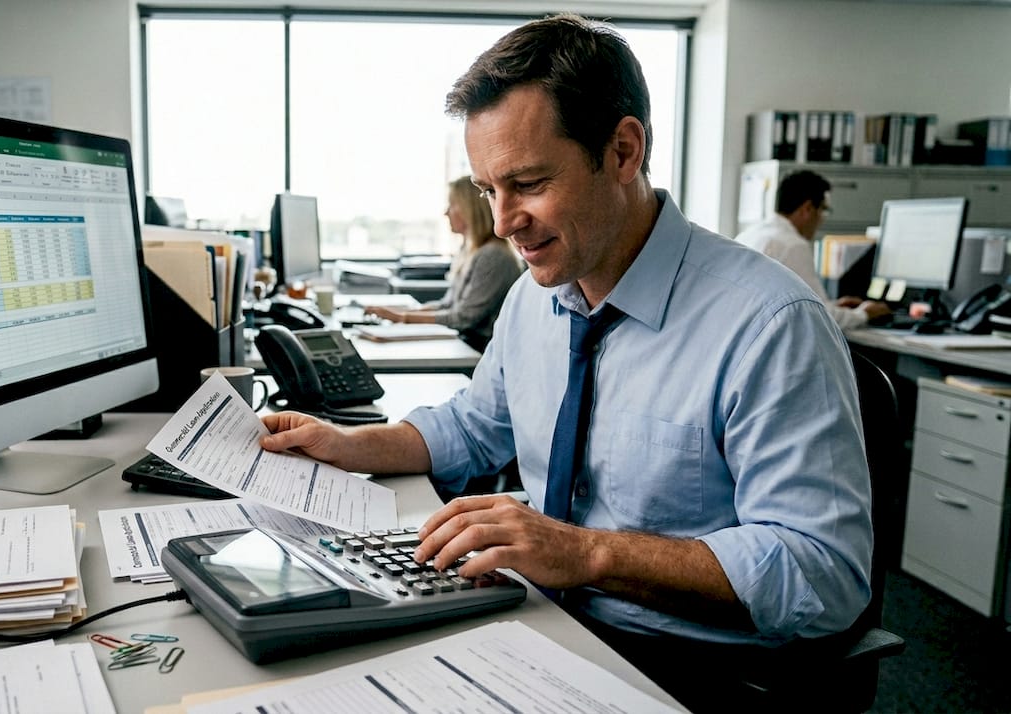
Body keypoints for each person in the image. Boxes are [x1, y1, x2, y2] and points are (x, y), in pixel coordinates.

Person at [259, 14, 872, 711]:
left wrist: (586, 554)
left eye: (527, 182)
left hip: (683, 665)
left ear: (623, 151)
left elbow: (825, 574)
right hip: (533, 620)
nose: (502, 222)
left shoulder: (768, 323)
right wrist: (351, 443)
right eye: (489, 190)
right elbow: (475, 426)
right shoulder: (534, 297)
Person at [365, 176, 523, 351]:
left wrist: (402, 318)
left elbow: (464, 318)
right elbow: (447, 305)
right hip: (463, 341)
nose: (446, 213)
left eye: (452, 205)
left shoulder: (493, 255)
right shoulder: (469, 249)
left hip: (476, 348)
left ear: (471, 209)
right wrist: (399, 312)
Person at [736, 170, 891, 329]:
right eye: (823, 210)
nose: (822, 219)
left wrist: (833, 306)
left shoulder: (751, 234)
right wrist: (864, 313)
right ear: (808, 209)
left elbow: (801, 305)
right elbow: (819, 316)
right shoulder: (791, 245)